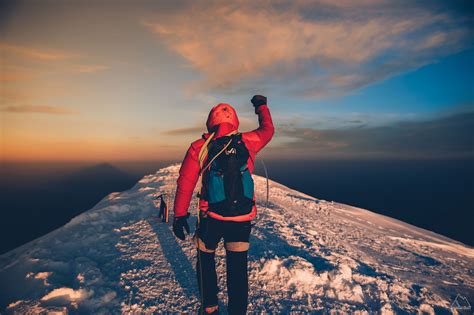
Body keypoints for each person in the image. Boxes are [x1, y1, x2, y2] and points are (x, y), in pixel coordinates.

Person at [172, 95, 274, 314]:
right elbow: (268, 130)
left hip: (211, 218)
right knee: (237, 267)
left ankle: (210, 307)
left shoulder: (199, 147)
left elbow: (186, 183)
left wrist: (180, 215)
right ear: (235, 121)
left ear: (211, 122)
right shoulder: (248, 141)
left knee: (205, 256)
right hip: (241, 218)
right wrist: (261, 106)